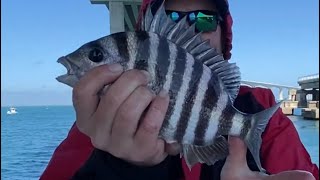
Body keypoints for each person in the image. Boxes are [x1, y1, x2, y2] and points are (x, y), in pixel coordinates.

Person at [40, 0, 319, 179]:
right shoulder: (97, 127)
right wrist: (115, 167)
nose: (189, 28)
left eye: (205, 19)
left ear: (224, 34)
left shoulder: (261, 108)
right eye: (172, 18)